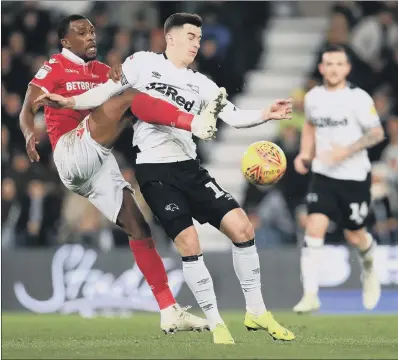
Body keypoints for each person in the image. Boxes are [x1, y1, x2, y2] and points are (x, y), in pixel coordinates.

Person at [36, 13, 295, 345]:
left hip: (190, 167)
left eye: (199, 39)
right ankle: (217, 324)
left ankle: (256, 311)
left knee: (243, 228)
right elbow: (103, 94)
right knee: (189, 243)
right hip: (155, 170)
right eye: (190, 37)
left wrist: (264, 115)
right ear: (170, 38)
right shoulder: (142, 63)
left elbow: (231, 115)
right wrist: (70, 101)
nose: (196, 44)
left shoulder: (202, 84)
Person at [20, 14, 223, 334]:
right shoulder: (55, 66)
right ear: (65, 42)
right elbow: (28, 104)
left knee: (139, 228)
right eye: (82, 33)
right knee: (128, 101)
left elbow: (144, 89)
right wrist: (29, 132)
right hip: (70, 151)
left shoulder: (103, 72)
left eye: (92, 31)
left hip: (97, 162)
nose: (91, 37)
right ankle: (192, 124)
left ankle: (169, 310)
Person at [293, 45, 384, 313]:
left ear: (347, 68)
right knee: (314, 227)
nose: (333, 69)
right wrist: (304, 153)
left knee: (355, 236)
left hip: (355, 178)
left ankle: (369, 269)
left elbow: (377, 133)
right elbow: (309, 124)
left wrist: (347, 150)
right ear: (321, 68)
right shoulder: (313, 98)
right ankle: (310, 295)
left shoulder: (359, 98)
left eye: (338, 64)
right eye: (328, 64)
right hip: (323, 176)